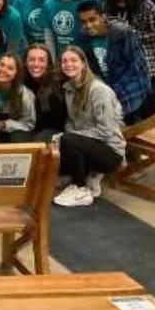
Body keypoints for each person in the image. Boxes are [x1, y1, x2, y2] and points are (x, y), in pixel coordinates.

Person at [54, 46, 125, 208]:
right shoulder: (69, 89)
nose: (68, 64)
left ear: (83, 64)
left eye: (74, 60)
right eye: (64, 61)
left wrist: (72, 137)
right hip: (87, 144)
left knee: (69, 140)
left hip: (111, 151)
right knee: (61, 140)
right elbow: (71, 122)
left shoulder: (99, 90)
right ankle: (80, 180)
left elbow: (107, 131)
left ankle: (80, 188)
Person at [77, 0, 155, 124]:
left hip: (131, 91)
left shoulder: (123, 33)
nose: (88, 25)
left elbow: (136, 68)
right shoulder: (83, 38)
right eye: (84, 22)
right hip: (105, 93)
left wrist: (112, 93)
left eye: (92, 20)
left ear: (103, 17)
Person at [106, 0, 155, 102]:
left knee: (146, 105)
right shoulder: (107, 5)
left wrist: (131, 36)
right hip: (120, 61)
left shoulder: (146, 4)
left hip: (146, 60)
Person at [0, 53, 36, 142]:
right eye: (1, 65)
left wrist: (4, 124)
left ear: (17, 73)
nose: (3, 70)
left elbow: (29, 123)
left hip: (13, 129)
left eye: (10, 68)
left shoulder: (24, 95)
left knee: (18, 138)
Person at [24, 43, 67, 141]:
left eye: (41, 60)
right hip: (29, 128)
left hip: (56, 130)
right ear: (25, 62)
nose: (36, 64)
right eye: (31, 59)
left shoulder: (58, 83)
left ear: (48, 64)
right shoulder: (21, 82)